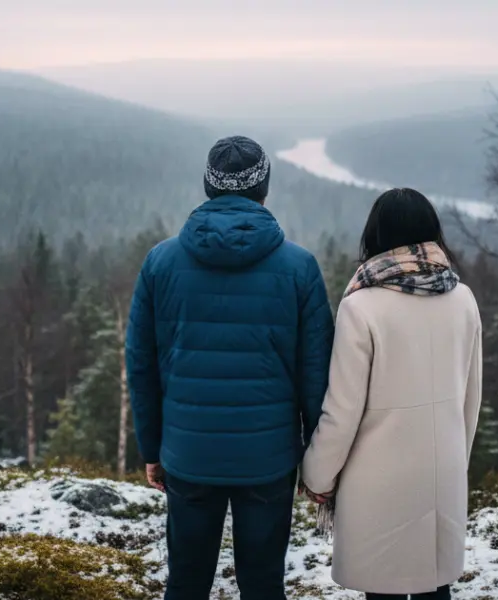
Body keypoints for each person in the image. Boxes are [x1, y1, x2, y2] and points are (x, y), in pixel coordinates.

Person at [125, 135, 334, 600]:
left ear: (208, 186)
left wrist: (152, 448)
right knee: (263, 586)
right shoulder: (299, 267)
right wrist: (318, 461)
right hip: (268, 459)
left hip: (187, 453)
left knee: (185, 582)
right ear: (264, 189)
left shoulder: (161, 262)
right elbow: (316, 375)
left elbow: (141, 366)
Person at [301, 188, 483, 600]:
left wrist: (317, 475)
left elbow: (342, 410)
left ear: (376, 236)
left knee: (384, 590)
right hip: (443, 474)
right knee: (436, 587)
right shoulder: (464, 299)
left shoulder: (361, 306)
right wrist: (457, 459)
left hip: (379, 482)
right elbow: (470, 401)